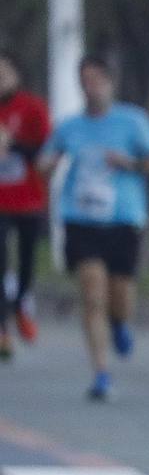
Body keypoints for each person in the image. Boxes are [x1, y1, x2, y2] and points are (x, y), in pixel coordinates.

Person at [37, 55, 149, 400]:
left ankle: (120, 323)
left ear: (110, 82)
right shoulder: (69, 127)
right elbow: (45, 162)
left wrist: (132, 163)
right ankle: (101, 373)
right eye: (84, 80)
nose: (90, 87)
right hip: (80, 218)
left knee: (120, 294)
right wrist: (47, 164)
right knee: (92, 293)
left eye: (97, 79)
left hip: (123, 218)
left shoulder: (133, 121)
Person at [0, 50, 52, 360]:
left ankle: (21, 304)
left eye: (3, 73)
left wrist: (12, 144)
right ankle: (2, 328)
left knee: (26, 261)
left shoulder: (32, 108)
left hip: (29, 198)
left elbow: (44, 153)